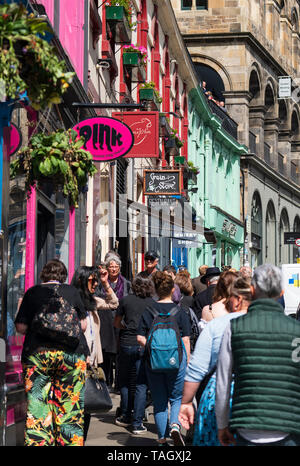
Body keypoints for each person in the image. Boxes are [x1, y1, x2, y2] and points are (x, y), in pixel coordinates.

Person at [215, 264, 300, 447]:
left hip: (247, 424)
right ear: (282, 292)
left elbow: (223, 382)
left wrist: (222, 425)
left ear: (252, 290)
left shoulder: (235, 328)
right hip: (289, 424)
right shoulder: (296, 330)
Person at [15, 259, 89, 446]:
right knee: (70, 408)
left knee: (38, 407)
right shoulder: (72, 292)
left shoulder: (32, 293)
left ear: (43, 275)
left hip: (38, 355)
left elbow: (21, 327)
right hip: (71, 356)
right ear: (63, 276)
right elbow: (83, 325)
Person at [178, 276, 251, 446]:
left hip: (218, 394)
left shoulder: (217, 325)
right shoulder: (264, 326)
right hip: (253, 396)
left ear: (237, 300)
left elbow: (197, 369)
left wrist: (186, 402)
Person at [137, 271, 191, 446]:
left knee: (159, 400)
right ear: (172, 289)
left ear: (155, 289)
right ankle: (175, 426)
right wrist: (187, 362)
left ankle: (161, 439)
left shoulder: (148, 311)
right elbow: (185, 340)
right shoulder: (180, 311)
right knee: (176, 398)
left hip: (153, 361)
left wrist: (151, 347)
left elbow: (140, 337)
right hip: (177, 360)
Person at [70, 265, 119, 441]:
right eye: (93, 280)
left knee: (88, 402)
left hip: (92, 359)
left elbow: (114, 303)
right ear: (82, 280)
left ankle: (81, 438)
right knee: (76, 401)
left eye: (96, 280)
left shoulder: (92, 301)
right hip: (76, 358)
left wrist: (106, 284)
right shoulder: (72, 301)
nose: (95, 283)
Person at [113, 276, 155, 434]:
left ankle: (125, 415)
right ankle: (137, 423)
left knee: (124, 381)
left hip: (126, 343)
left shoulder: (125, 301)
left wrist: (126, 326)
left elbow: (116, 323)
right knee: (141, 384)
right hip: (143, 344)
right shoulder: (152, 303)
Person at [95, 255, 130, 389]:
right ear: (107, 268)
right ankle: (106, 381)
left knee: (118, 352)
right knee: (105, 351)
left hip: (119, 319)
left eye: (116, 267)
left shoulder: (126, 283)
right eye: (111, 266)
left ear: (119, 268)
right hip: (104, 319)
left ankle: (118, 382)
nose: (114, 269)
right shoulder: (100, 283)